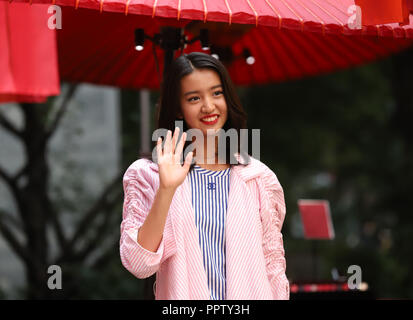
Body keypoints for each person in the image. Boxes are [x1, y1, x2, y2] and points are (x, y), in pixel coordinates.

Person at [120, 52, 289, 300]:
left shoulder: (259, 178)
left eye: (217, 93)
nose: (209, 106)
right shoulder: (148, 175)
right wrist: (166, 190)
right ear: (178, 108)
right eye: (194, 98)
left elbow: (273, 266)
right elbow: (139, 264)